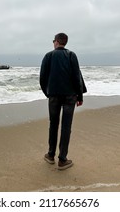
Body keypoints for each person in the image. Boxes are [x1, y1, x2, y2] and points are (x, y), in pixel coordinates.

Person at [40, 33, 87, 170]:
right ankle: (62, 160)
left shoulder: (48, 56)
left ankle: (50, 155)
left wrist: (48, 93)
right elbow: (76, 76)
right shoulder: (71, 55)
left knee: (53, 124)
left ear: (57, 41)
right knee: (66, 127)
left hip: (54, 95)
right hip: (70, 96)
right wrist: (80, 96)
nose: (53, 43)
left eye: (53, 40)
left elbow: (42, 78)